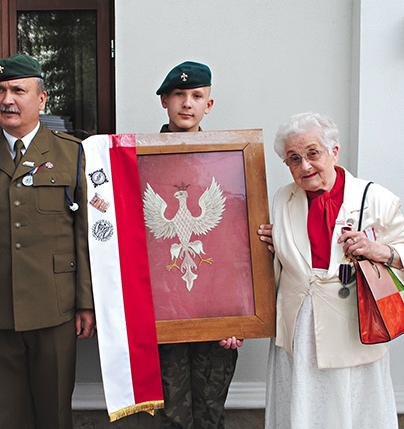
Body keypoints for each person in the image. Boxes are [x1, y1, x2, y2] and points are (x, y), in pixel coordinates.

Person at [0, 54, 95, 429]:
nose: (7, 99)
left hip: (55, 306)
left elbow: (85, 236)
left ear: (41, 99)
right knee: (6, 416)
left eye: (18, 90)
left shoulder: (72, 152)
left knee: (56, 413)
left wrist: (87, 303)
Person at [258, 112, 404, 428]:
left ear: (334, 152)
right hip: (299, 324)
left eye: (313, 153)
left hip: (353, 324)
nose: (305, 166)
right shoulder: (284, 198)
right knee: (301, 405)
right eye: (294, 159)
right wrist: (269, 244)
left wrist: (377, 250)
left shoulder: (374, 197)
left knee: (352, 407)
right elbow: (282, 257)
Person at [155, 60, 242, 429]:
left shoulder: (226, 161)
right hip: (162, 308)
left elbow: (236, 244)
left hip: (215, 308)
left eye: (196, 96)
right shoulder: (137, 162)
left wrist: (242, 311)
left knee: (210, 412)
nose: (187, 103)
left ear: (209, 104)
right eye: (178, 95)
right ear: (164, 101)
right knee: (171, 414)